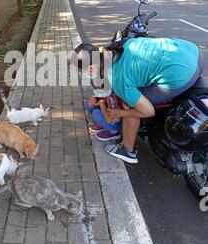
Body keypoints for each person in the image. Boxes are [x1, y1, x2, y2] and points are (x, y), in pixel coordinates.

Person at [75, 38, 204, 164]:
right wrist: (98, 95)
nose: (84, 75)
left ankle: (128, 151)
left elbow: (148, 111)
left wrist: (119, 113)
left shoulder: (118, 79)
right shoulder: (116, 48)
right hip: (193, 52)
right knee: (130, 96)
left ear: (91, 68)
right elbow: (109, 81)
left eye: (82, 72)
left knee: (130, 106)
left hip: (183, 74)